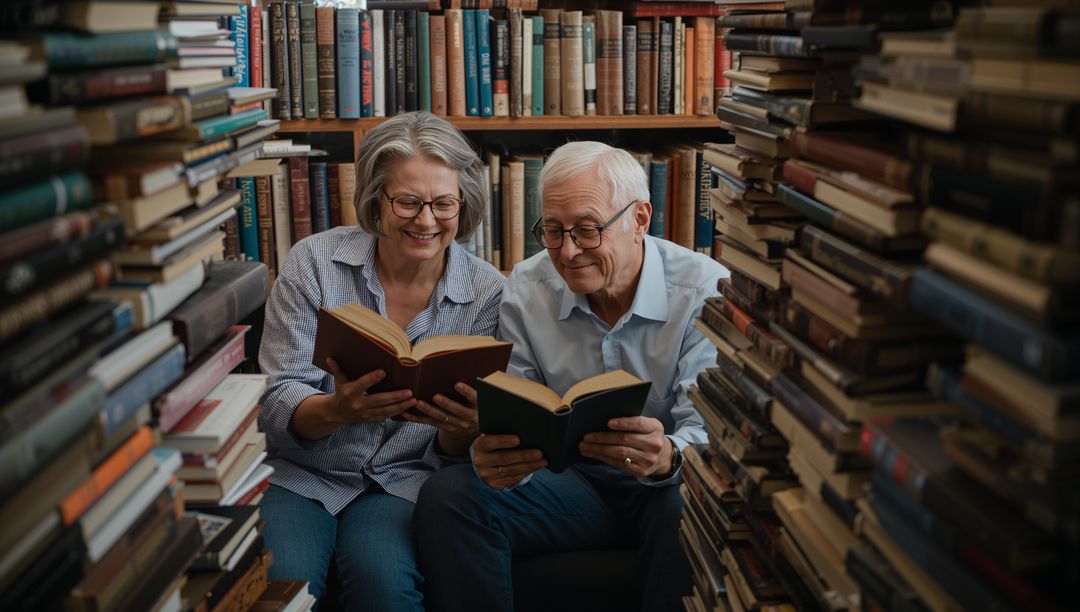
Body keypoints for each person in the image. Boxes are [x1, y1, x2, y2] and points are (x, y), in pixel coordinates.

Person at [414, 141, 728, 611]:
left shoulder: (705, 291)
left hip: (661, 486)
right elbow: (518, 408)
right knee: (451, 493)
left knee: (685, 500)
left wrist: (667, 457)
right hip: (571, 483)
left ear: (640, 219)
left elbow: (711, 436)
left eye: (587, 230)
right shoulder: (527, 286)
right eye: (553, 231)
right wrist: (499, 453)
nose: (568, 252)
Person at [257, 112, 504, 611]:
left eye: (443, 203)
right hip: (303, 474)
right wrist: (335, 410)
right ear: (375, 198)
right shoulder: (314, 262)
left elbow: (455, 450)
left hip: (404, 484)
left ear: (464, 203)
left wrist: (462, 427)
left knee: (385, 589)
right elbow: (276, 396)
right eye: (408, 202)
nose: (427, 220)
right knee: (282, 586)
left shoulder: (488, 292)